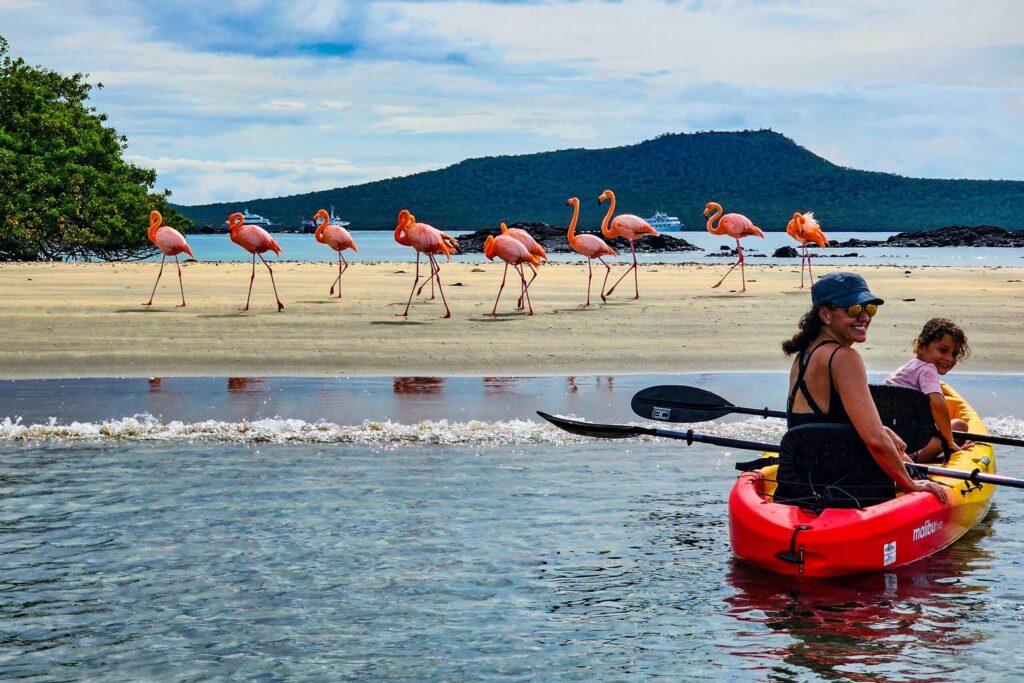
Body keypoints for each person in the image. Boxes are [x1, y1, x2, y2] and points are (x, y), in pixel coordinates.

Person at [779, 272, 947, 505]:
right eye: (854, 309)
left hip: (802, 481)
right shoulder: (844, 357)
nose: (865, 317)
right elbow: (874, 440)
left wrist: (883, 430)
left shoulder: (805, 354)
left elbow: (823, 423)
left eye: (870, 309)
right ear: (825, 314)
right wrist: (911, 484)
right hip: (846, 486)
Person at [885, 318, 972, 463]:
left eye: (954, 354)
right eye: (943, 350)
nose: (949, 358)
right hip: (911, 448)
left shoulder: (907, 368)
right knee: (960, 426)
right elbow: (937, 403)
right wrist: (949, 441)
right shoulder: (928, 370)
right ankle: (949, 455)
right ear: (921, 346)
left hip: (889, 438)